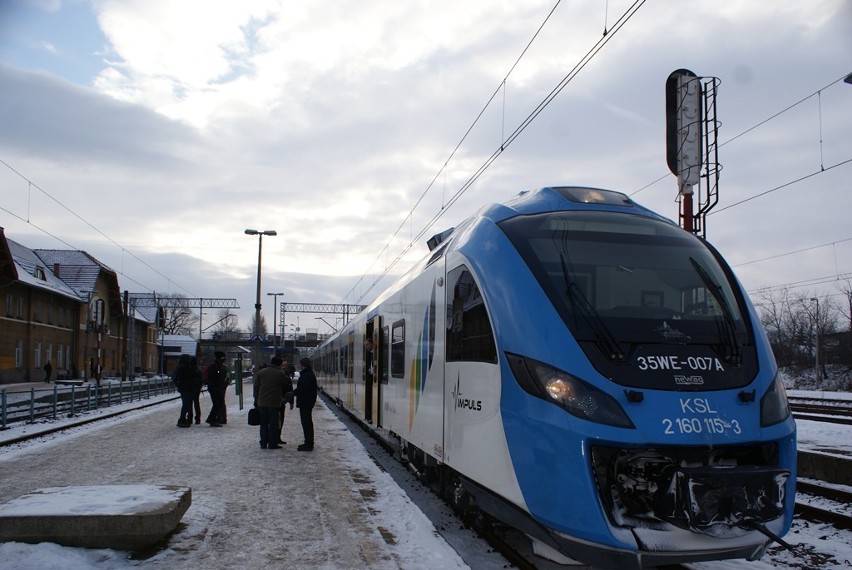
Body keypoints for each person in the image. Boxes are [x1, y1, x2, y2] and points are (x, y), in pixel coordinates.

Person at [253, 356, 288, 449]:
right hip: (274, 403)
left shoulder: (261, 372)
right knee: (273, 424)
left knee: (263, 424)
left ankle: (263, 443)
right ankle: (272, 444)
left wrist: (256, 400)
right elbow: (286, 384)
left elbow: (256, 387)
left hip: (262, 402)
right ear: (279, 364)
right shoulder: (280, 373)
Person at [287, 357, 318, 451]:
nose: (299, 365)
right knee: (307, 422)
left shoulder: (307, 375)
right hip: (307, 401)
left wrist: (293, 393)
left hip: (306, 402)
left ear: (303, 365)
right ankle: (308, 442)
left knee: (306, 423)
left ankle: (308, 444)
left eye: (300, 364)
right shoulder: (308, 374)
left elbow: (304, 389)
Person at [205, 351, 230, 426]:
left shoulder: (218, 365)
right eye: (222, 358)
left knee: (218, 403)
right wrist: (218, 385)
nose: (224, 359)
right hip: (215, 388)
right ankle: (212, 418)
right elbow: (214, 378)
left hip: (216, 387)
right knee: (218, 403)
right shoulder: (214, 366)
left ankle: (213, 418)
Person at [172, 355, 196, 428]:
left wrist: (179, 385)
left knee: (186, 404)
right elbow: (189, 376)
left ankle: (183, 419)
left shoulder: (180, 366)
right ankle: (182, 419)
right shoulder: (184, 367)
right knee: (186, 404)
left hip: (184, 388)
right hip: (186, 388)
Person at [277, 362, 294, 445]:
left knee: (281, 420)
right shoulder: (277, 375)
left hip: (282, 402)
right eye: (282, 365)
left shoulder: (287, 377)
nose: (284, 367)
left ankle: (278, 437)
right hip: (275, 401)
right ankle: (274, 438)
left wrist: (291, 402)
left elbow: (290, 390)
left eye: (285, 365)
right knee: (276, 420)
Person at [190, 357, 204, 425]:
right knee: (196, 403)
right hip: (197, 389)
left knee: (189, 404)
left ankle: (190, 418)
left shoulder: (189, 369)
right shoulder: (199, 370)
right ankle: (197, 418)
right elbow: (201, 380)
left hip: (190, 388)